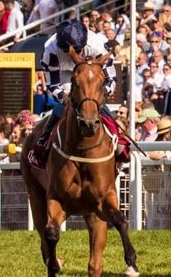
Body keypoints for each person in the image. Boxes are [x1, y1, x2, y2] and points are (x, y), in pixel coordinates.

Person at [31, 18, 116, 167]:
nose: (74, 54)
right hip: (64, 74)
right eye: (69, 51)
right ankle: (42, 143)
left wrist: (99, 96)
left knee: (93, 103)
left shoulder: (97, 47)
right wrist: (63, 97)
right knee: (62, 107)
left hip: (90, 72)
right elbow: (52, 84)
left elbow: (111, 79)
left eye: (78, 50)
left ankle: (118, 140)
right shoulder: (50, 51)